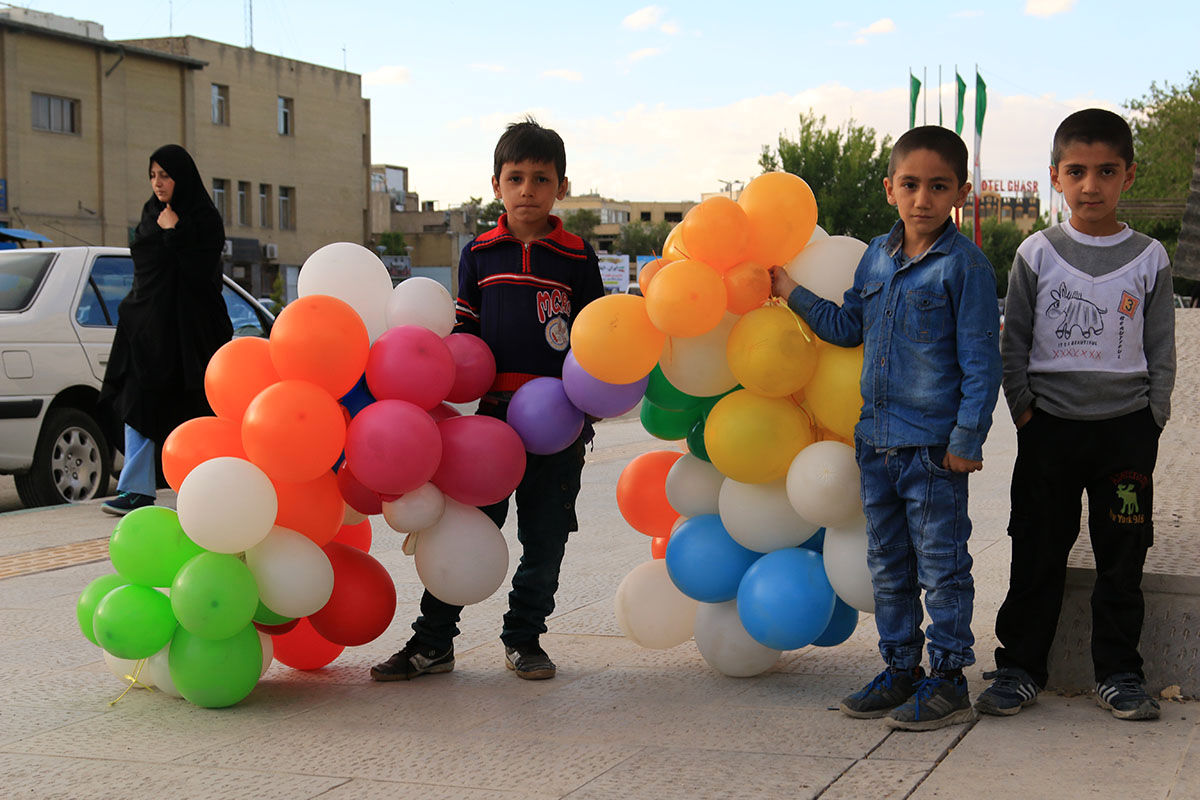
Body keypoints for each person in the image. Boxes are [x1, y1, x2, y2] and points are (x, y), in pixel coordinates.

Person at [772, 126, 1002, 731]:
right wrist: (790, 291)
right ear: (889, 188)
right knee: (888, 564)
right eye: (910, 184)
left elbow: (982, 362)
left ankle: (948, 678)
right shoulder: (876, 255)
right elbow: (849, 327)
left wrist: (965, 443)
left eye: (938, 186)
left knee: (943, 566)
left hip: (932, 451)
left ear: (960, 192)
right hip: (875, 442)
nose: (922, 198)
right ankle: (901, 669)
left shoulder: (966, 266)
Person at [372, 119, 604, 682]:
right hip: (489, 426)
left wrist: (589, 407)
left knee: (545, 538)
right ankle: (433, 642)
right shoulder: (479, 253)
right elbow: (463, 340)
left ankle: (524, 638)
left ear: (562, 187)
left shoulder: (577, 258)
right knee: (463, 530)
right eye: (516, 177)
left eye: (541, 179)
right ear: (496, 185)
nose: (528, 189)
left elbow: (601, 339)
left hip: (559, 424)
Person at [975, 109, 1175, 721]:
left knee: (1123, 553)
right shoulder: (1037, 253)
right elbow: (1015, 342)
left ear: (1128, 177)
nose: (1091, 185)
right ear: (1056, 177)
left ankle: (1119, 673)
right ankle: (1019, 669)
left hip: (1125, 435)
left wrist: (1152, 419)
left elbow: (1162, 348)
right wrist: (1025, 411)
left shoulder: (1150, 257)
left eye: (1106, 171)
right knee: (1036, 549)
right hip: (1050, 431)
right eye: (1077, 171)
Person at [99, 144, 232, 515]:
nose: (158, 183)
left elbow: (199, 276)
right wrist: (164, 236)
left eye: (166, 175)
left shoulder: (204, 220)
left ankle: (207, 486)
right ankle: (136, 490)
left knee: (197, 410)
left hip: (192, 336)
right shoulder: (150, 213)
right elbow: (146, 263)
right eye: (153, 175)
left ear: (182, 177)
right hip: (149, 330)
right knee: (137, 402)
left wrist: (174, 234)